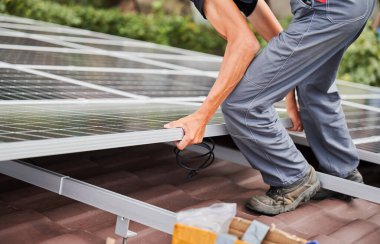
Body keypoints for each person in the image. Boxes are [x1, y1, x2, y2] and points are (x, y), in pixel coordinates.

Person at [165, 0, 376, 215]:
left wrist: (202, 116)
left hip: (327, 8)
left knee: (244, 104)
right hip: (349, 6)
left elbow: (245, 43)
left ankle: (294, 178)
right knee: (313, 86)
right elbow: (262, 19)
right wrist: (289, 90)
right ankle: (341, 171)